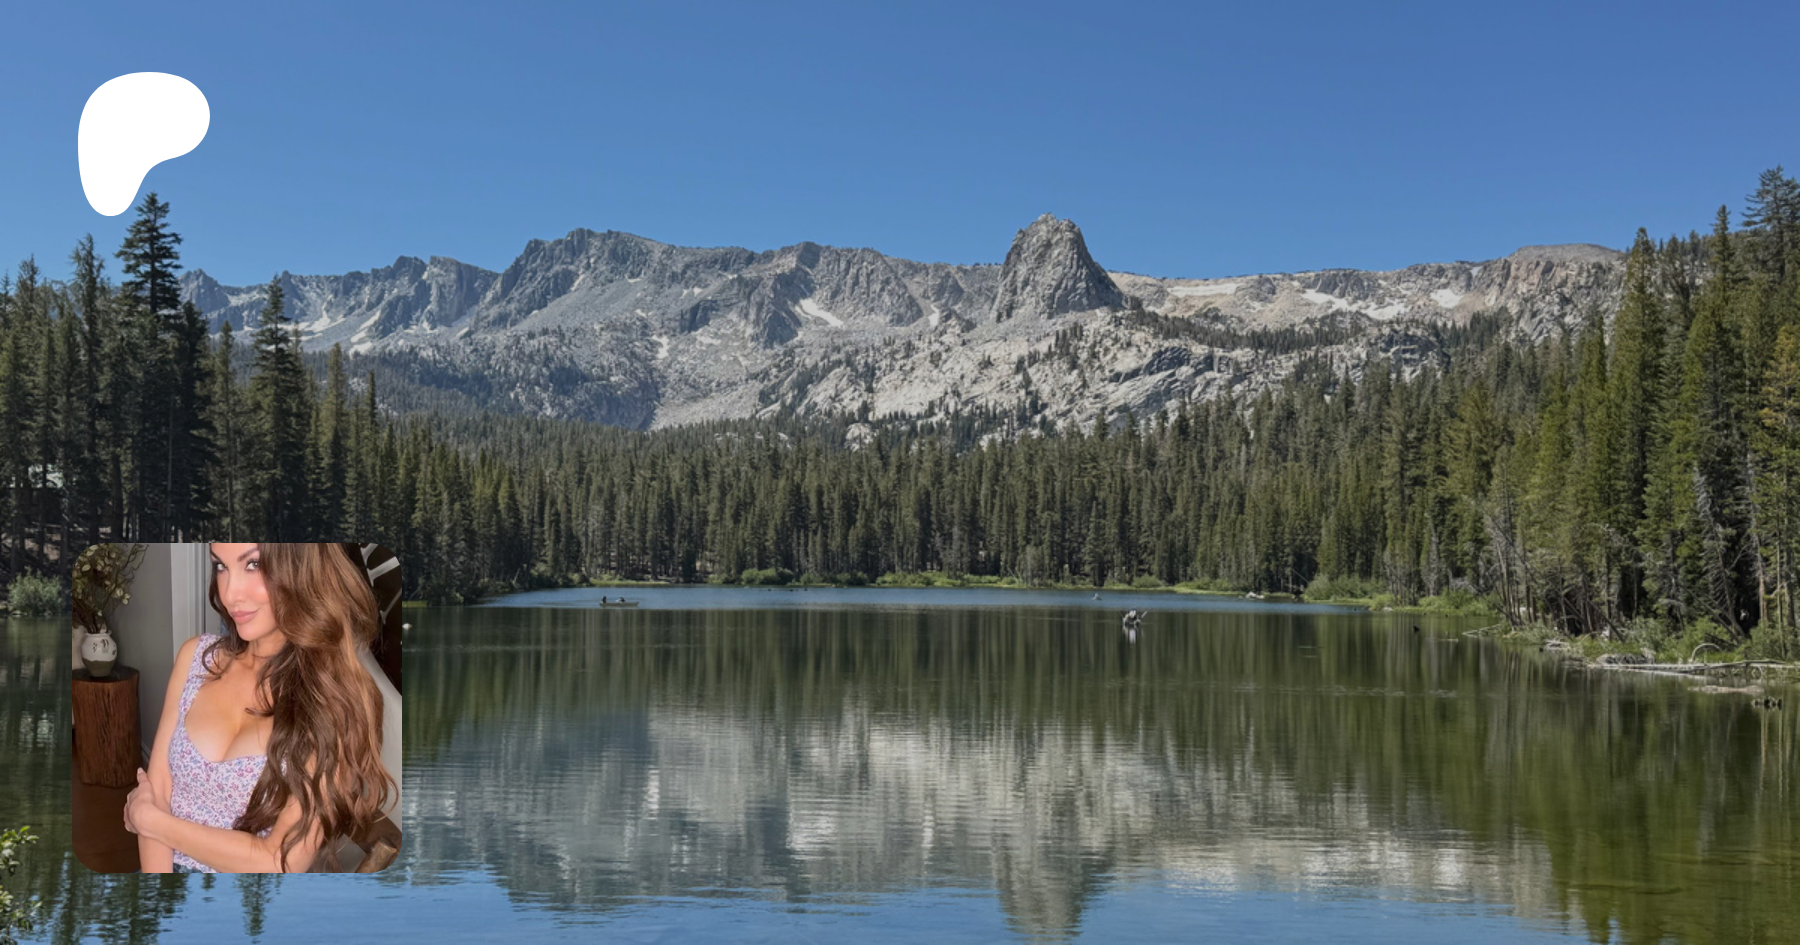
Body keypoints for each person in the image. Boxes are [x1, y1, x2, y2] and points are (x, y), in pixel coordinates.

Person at [125, 543, 396, 872]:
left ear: (301, 568)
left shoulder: (333, 706)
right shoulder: (195, 658)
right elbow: (157, 789)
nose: (230, 594)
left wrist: (152, 822)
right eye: (221, 566)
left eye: (253, 565)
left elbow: (280, 862)